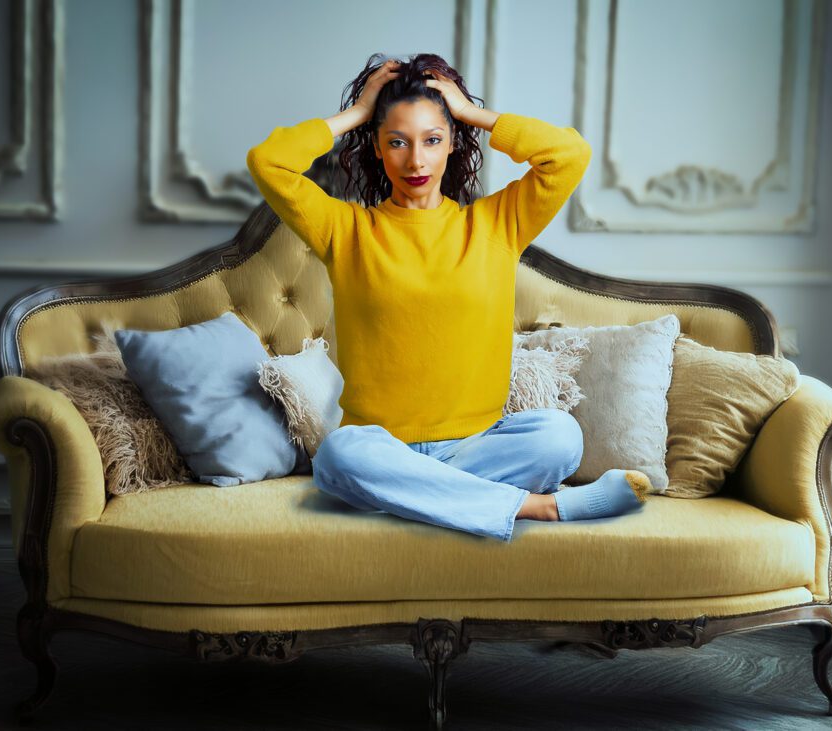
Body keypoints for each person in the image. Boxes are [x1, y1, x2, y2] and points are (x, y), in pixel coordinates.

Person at [246, 53, 650, 542]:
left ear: (453, 142)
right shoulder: (345, 230)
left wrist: (471, 112)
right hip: (381, 449)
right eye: (398, 141)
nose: (416, 161)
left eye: (432, 139)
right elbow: (268, 161)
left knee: (560, 437)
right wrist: (357, 112)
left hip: (478, 448)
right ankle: (539, 507)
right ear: (377, 147)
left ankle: (414, 494)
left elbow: (569, 155)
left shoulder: (496, 225)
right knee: (339, 455)